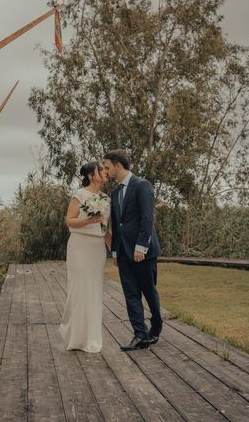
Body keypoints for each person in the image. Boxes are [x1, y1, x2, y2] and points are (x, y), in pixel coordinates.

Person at [103, 149, 162, 351]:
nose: (105, 171)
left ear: (118, 165)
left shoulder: (142, 185)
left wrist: (141, 247)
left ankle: (157, 325)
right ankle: (140, 335)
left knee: (149, 291)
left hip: (142, 252)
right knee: (130, 295)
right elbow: (116, 223)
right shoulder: (115, 192)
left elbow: (147, 218)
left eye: (107, 167)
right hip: (123, 253)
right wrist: (115, 252)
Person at [59, 161, 111, 353]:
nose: (105, 173)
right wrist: (88, 220)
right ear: (91, 175)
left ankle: (91, 338)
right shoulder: (79, 194)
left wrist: (114, 251)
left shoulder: (106, 198)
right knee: (78, 290)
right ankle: (75, 337)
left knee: (94, 291)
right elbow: (69, 221)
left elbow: (105, 228)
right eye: (101, 170)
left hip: (97, 249)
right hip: (80, 246)